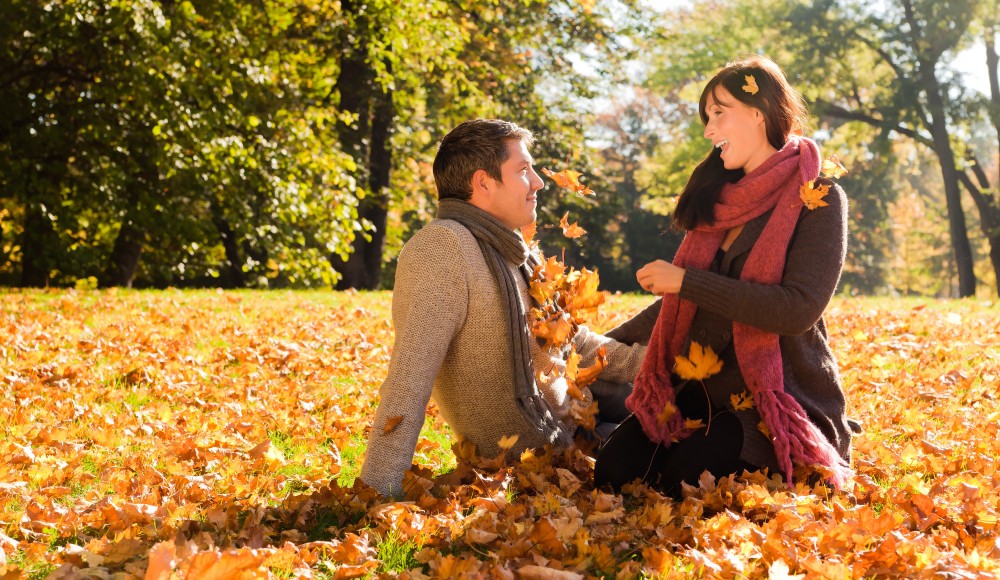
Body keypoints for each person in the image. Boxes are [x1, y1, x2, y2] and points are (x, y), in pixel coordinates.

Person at [594, 55, 855, 499]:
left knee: (682, 481)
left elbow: (797, 309)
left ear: (759, 113)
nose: (708, 130)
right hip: (700, 387)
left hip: (774, 396)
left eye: (719, 113)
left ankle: (810, 440)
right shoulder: (718, 199)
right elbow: (679, 304)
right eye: (706, 117)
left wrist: (686, 282)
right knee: (612, 474)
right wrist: (601, 347)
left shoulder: (819, 196)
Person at [359, 119, 647, 499]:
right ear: (483, 183)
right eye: (523, 170)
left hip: (577, 405)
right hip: (543, 445)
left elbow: (571, 342)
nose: (538, 182)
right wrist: (377, 490)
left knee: (677, 381)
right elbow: (409, 379)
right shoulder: (443, 248)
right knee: (679, 442)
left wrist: (651, 363)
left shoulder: (513, 249)